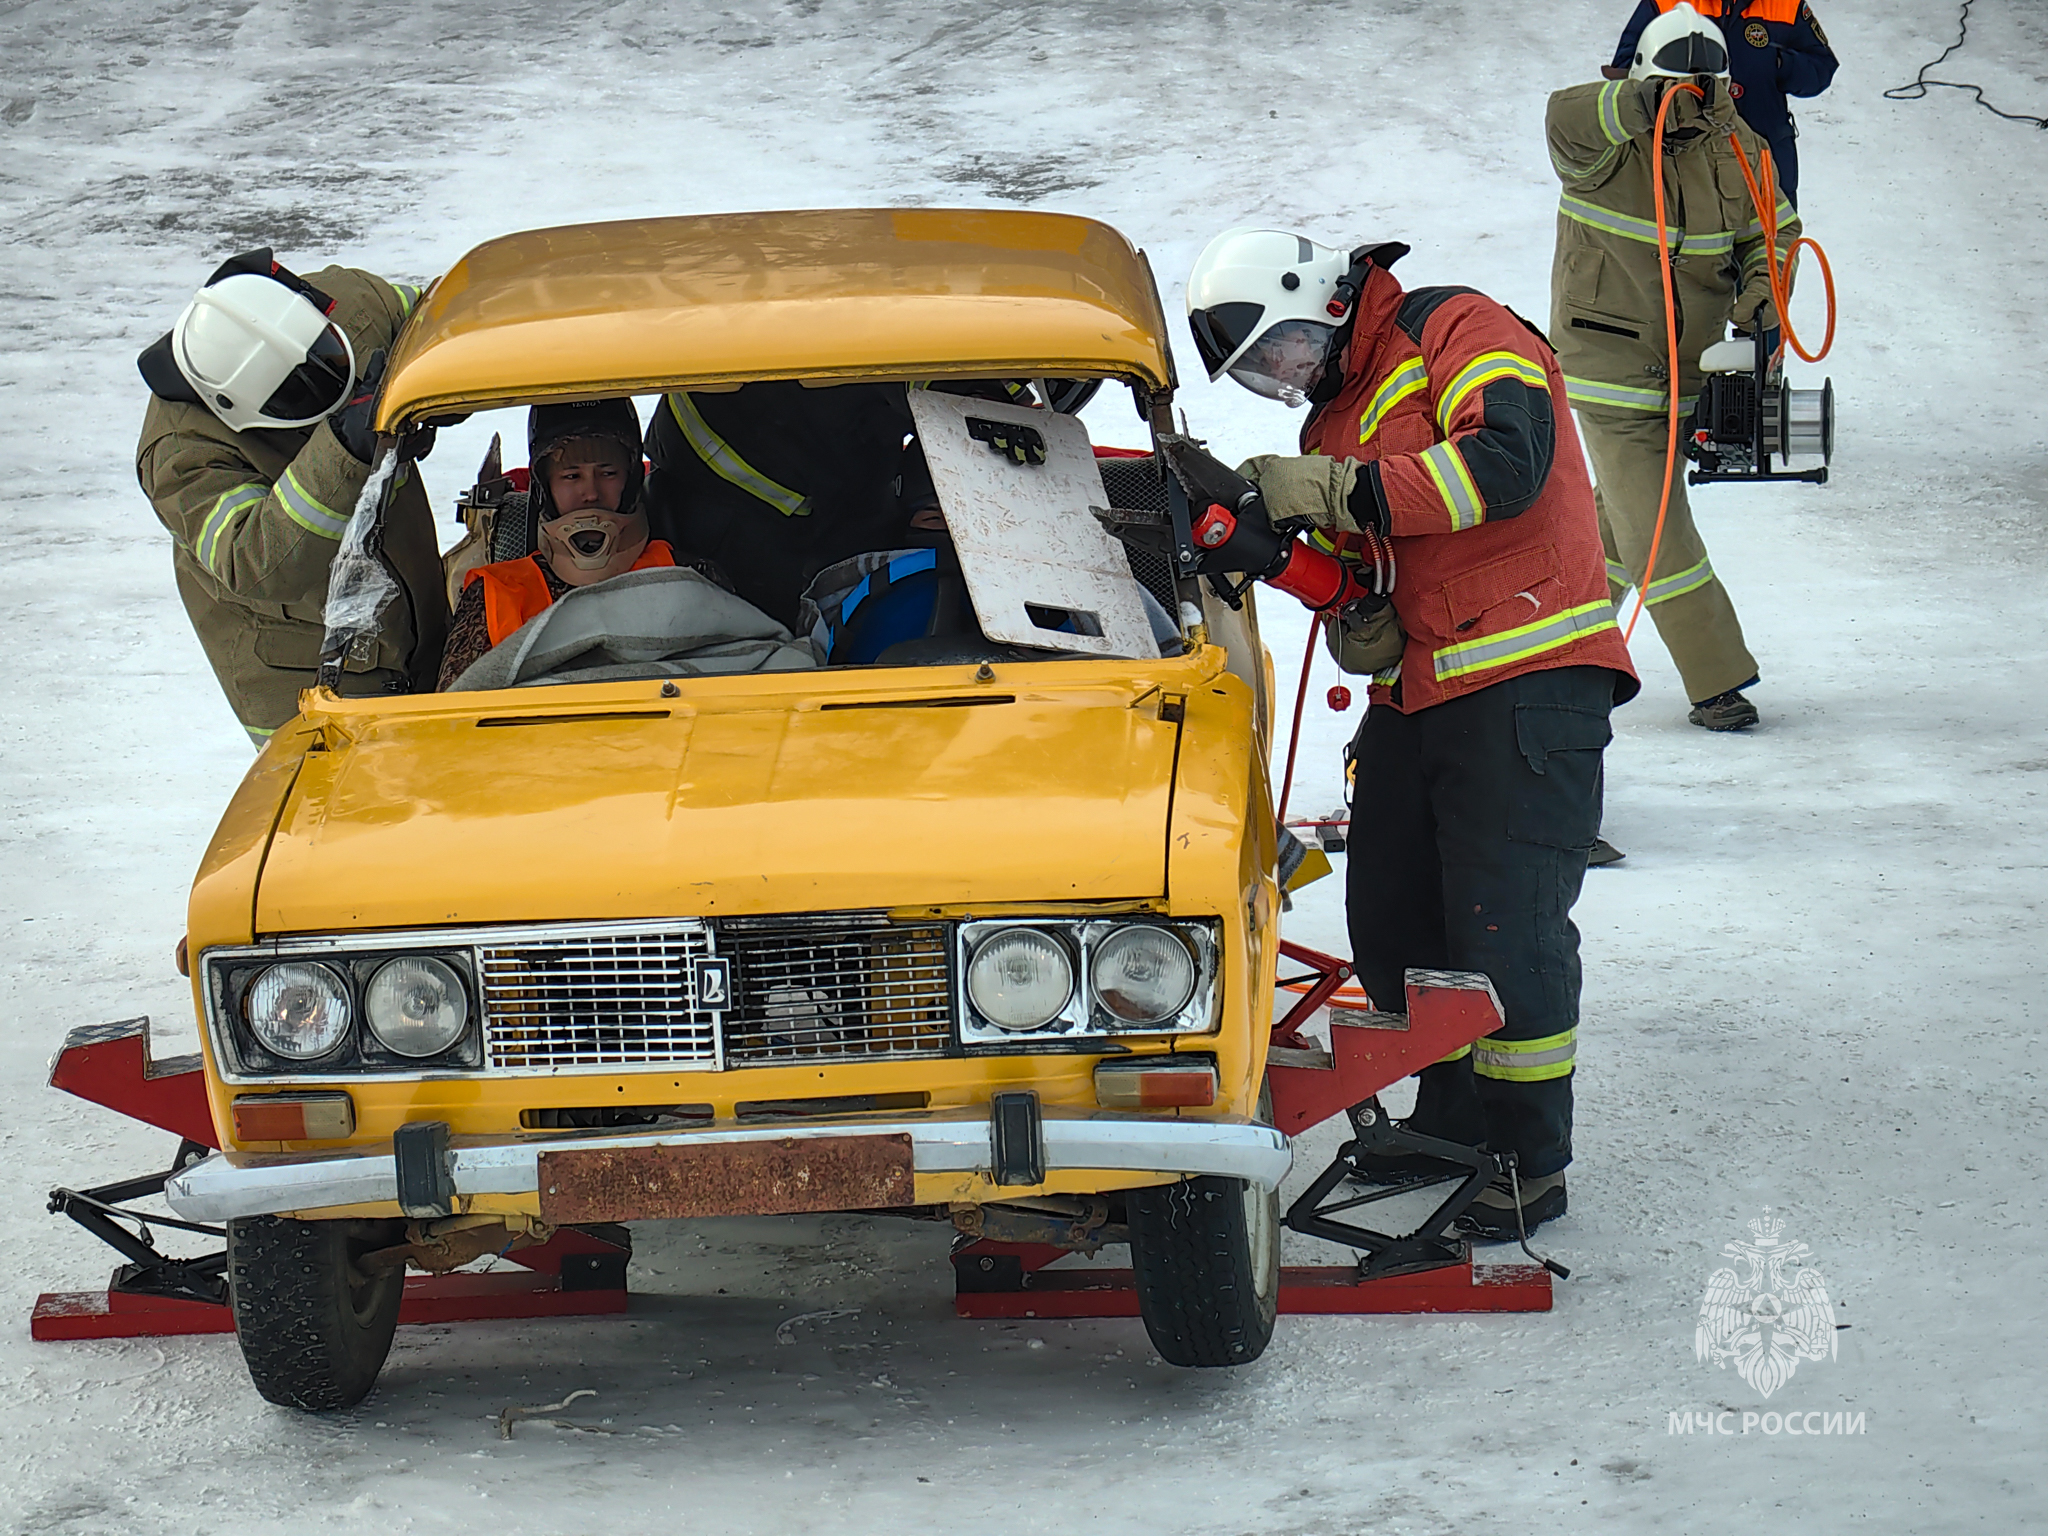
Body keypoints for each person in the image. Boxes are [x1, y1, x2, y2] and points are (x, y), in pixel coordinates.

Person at [1185, 229, 1639, 1237]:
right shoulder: (1329, 424)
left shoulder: (1451, 325)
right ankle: (1448, 1132)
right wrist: (1347, 601)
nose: (1282, 377)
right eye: (1261, 373)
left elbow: (1506, 464)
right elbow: (1372, 569)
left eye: (1281, 349)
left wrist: (1342, 497)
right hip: (1418, 691)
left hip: (1528, 678)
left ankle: (1525, 1163)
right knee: (1393, 927)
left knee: (1503, 935)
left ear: (1322, 299)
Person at [1550, 3, 1801, 730]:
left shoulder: (1739, 146)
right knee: (1660, 526)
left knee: (1623, 523)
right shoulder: (1605, 141)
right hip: (1611, 370)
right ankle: (1717, 680)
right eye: (1673, 82)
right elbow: (1564, 116)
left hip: (1695, 373)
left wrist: (1762, 296)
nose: (1690, 93)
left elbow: (1775, 231)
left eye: (1702, 81)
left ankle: (1557, 644)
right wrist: (1639, 102)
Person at [136, 250, 446, 748]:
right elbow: (256, 562)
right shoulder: (182, 454)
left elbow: (450, 313)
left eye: (332, 358)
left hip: (420, 630)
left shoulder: (355, 304)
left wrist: (436, 383)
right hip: (316, 689)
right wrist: (344, 449)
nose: (330, 386)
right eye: (295, 397)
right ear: (236, 409)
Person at [437, 398, 723, 689]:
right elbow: (454, 714)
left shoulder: (688, 574)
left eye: (608, 473)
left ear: (634, 478)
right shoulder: (492, 596)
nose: (590, 493)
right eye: (571, 476)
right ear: (544, 487)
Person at [1607, 0, 1836, 206]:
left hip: (1765, 159)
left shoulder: (1786, 4)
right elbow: (1627, 70)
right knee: (1697, 247)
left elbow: (1821, 67)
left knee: (1772, 246)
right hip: (1685, 161)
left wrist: (1776, 65)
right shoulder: (1664, 3)